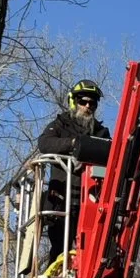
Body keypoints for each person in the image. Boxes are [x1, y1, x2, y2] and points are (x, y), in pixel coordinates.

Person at [37, 80, 111, 267]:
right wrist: (73, 144)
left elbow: (113, 155)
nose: (87, 107)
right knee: (60, 250)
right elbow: (45, 144)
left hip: (92, 200)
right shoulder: (60, 124)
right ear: (73, 101)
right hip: (62, 199)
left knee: (91, 253)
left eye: (92, 104)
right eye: (83, 102)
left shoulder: (102, 132)